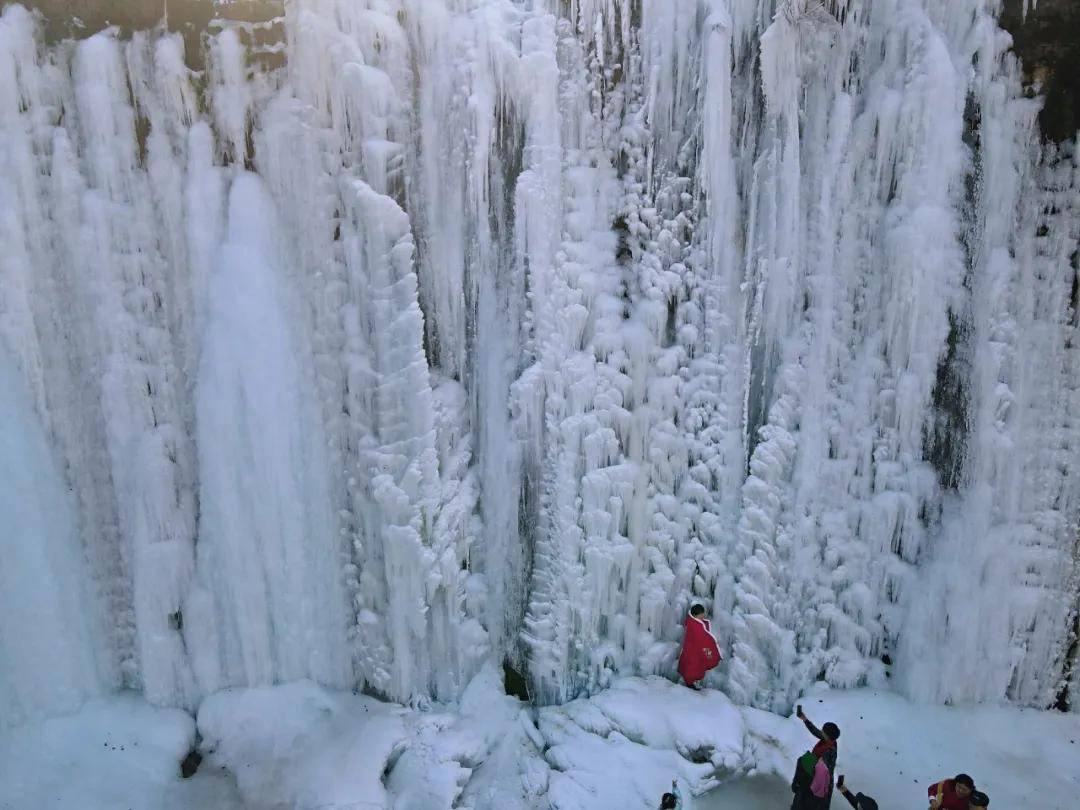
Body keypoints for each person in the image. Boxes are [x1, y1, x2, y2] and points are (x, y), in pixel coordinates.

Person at [791, 704, 840, 810]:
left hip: (820, 786)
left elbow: (823, 770)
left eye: (823, 731)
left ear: (828, 735)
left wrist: (809, 764)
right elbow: (815, 731)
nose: (821, 732)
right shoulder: (828, 739)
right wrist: (804, 718)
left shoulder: (830, 751)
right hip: (813, 778)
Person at [677, 604, 721, 689]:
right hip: (694, 651)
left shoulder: (692, 621)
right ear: (696, 615)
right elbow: (703, 639)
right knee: (693, 667)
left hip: (691, 649)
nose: (704, 615)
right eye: (702, 614)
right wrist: (710, 653)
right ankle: (690, 683)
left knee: (690, 666)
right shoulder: (696, 625)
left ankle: (690, 681)